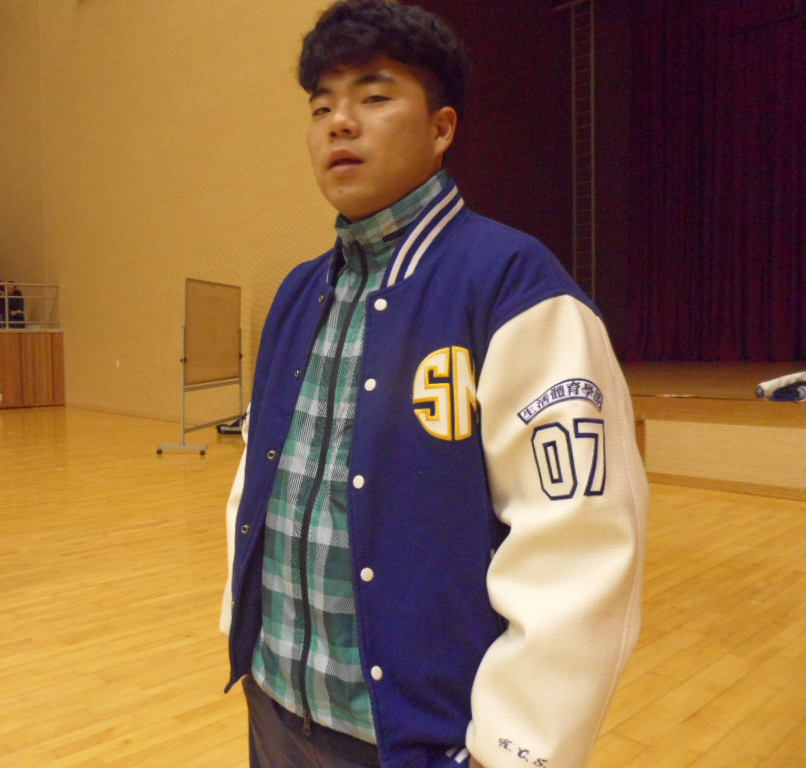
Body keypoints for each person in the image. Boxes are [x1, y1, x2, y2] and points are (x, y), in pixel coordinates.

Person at [220, 3, 649, 768]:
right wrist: (245, 635)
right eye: (321, 106)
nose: (339, 123)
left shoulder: (513, 287)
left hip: (416, 741)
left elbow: (578, 548)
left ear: (442, 127)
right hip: (275, 708)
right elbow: (257, 480)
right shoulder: (296, 293)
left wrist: (513, 750)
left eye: (373, 96)